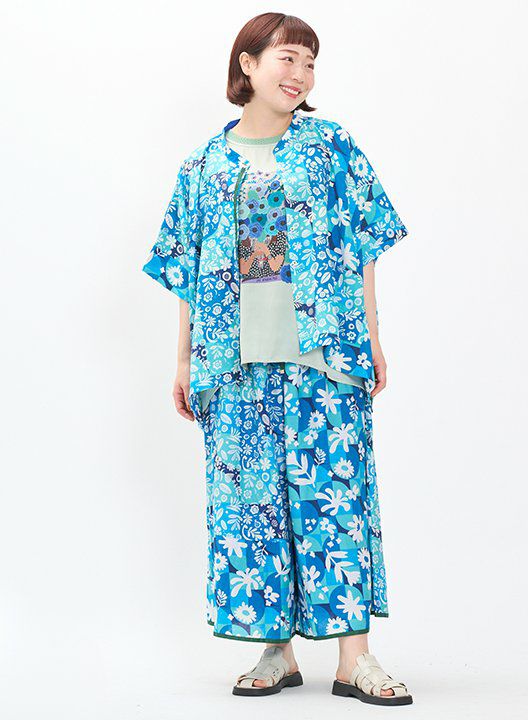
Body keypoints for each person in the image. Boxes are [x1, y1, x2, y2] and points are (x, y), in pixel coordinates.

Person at [142, 12, 413, 707]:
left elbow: (363, 244)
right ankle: (275, 651)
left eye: (310, 63)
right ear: (248, 64)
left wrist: (373, 336)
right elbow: (188, 272)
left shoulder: (331, 147)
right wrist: (183, 361)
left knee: (336, 502)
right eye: (287, 58)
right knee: (250, 509)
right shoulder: (203, 165)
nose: (300, 75)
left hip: (325, 356)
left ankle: (355, 658)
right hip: (234, 364)